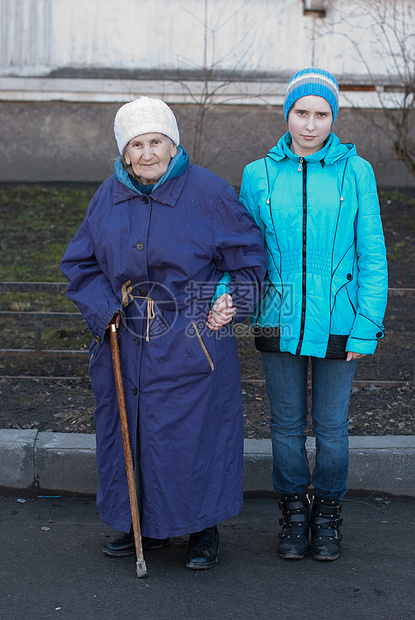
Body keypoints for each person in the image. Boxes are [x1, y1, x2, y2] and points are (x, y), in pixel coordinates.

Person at [60, 96, 266, 570]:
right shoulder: (107, 195)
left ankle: (202, 529)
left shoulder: (209, 192)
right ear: (124, 152)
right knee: (131, 430)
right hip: (125, 338)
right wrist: (103, 309)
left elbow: (250, 261)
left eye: (157, 141)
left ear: (173, 146)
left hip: (192, 338)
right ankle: (142, 525)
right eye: (137, 144)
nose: (147, 153)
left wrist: (234, 299)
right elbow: (80, 263)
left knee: (193, 437)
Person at [239, 68, 388, 561]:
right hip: (275, 316)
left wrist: (366, 327)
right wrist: (229, 298)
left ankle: (326, 512)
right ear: (287, 115)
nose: (310, 124)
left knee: (331, 426)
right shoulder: (259, 173)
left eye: (321, 114)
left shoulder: (355, 171)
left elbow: (372, 255)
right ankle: (293, 511)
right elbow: (243, 250)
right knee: (283, 425)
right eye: (301, 113)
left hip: (339, 321)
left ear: (334, 117)